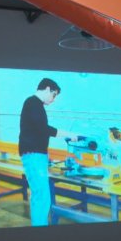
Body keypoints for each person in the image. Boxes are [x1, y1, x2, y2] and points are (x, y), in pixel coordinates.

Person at [19, 78, 77, 226]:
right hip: (34, 156)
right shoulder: (33, 103)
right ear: (47, 89)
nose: (53, 99)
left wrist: (45, 156)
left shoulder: (35, 104)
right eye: (54, 94)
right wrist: (68, 134)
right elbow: (43, 129)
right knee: (42, 197)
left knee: (39, 195)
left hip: (36, 156)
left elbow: (38, 130)